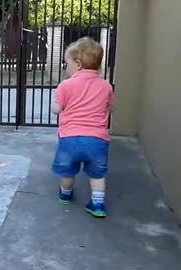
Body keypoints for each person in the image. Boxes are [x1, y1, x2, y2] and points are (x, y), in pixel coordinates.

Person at [51, 37, 115, 218]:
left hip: (70, 138)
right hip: (97, 140)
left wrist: (57, 106)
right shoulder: (106, 86)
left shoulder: (66, 85)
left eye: (67, 63)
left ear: (78, 64)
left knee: (68, 170)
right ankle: (98, 203)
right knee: (97, 174)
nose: (66, 67)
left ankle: (65, 193)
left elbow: (57, 110)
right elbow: (111, 108)